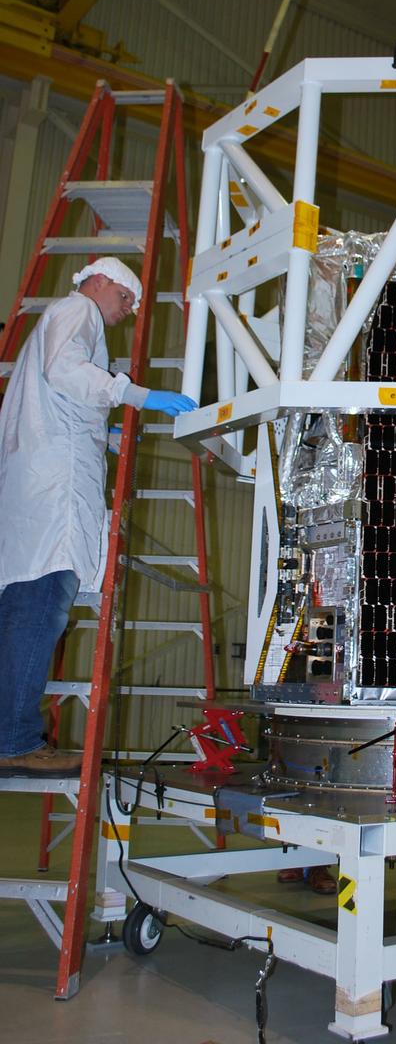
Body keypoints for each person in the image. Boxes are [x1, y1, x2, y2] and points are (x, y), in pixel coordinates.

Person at [0, 258, 197, 778]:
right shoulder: (79, 309)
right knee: (42, 611)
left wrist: (103, 436)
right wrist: (133, 392)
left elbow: (60, 397)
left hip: (35, 488)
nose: (127, 314)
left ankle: (9, 733)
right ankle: (15, 741)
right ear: (103, 283)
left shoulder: (59, 321)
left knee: (22, 612)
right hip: (54, 496)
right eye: (126, 300)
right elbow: (66, 372)